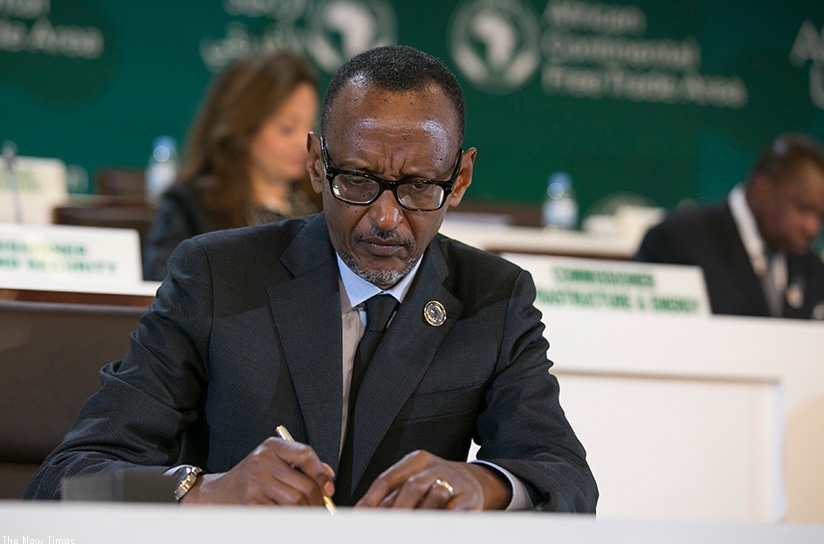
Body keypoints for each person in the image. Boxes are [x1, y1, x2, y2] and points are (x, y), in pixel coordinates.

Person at [25, 45, 598, 512]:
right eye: (357, 179)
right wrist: (205, 491)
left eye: (421, 187)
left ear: (462, 176)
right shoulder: (216, 275)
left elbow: (567, 479)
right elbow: (65, 482)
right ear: (316, 163)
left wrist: (485, 485)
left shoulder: (493, 298)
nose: (385, 217)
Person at [142, 51, 321, 281]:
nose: (304, 143)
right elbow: (165, 286)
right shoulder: (191, 207)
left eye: (311, 126)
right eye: (287, 128)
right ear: (243, 130)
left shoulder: (325, 204)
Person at [636, 133, 824, 319]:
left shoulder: (812, 267)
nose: (812, 228)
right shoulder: (675, 242)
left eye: (821, 216)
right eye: (803, 209)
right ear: (762, 190)